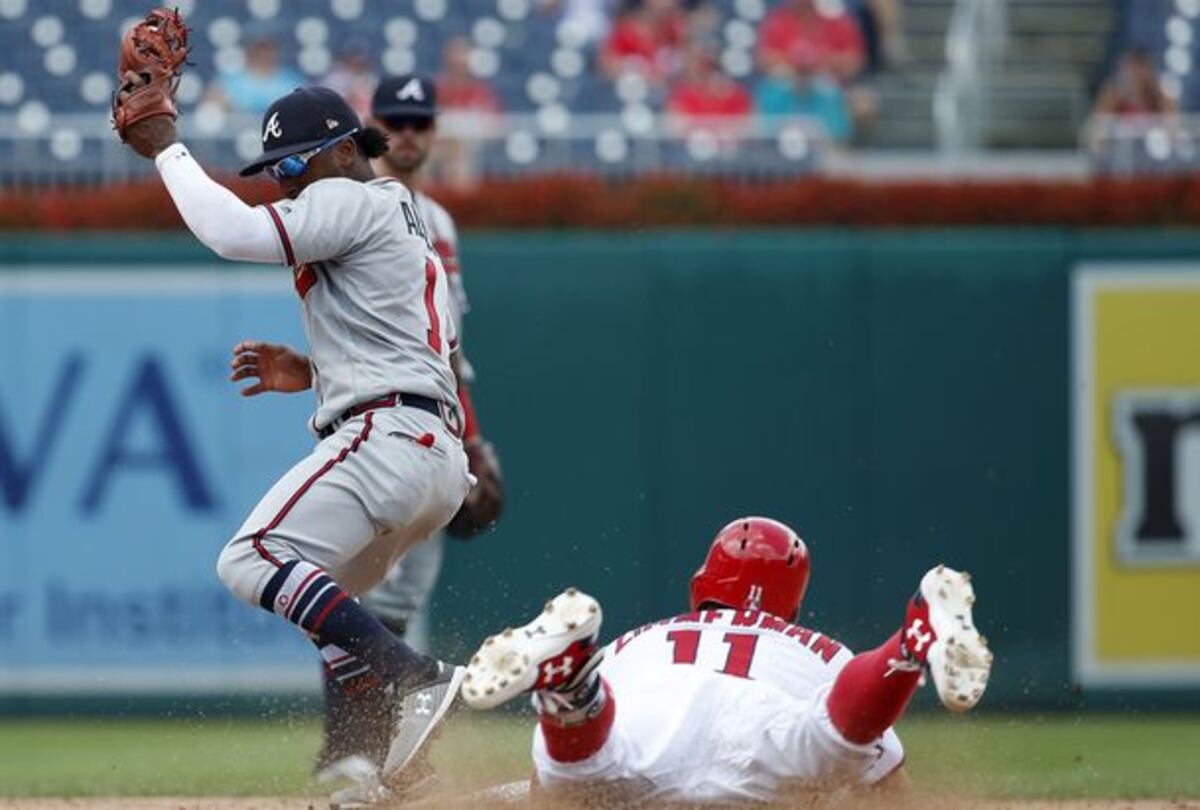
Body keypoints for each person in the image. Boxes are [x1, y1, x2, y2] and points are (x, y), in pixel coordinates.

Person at [117, 85, 475, 801]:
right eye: (275, 170)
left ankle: (419, 680)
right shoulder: (405, 219)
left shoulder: (354, 195)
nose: (284, 181)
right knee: (328, 605)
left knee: (250, 558)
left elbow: (231, 233)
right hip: (433, 451)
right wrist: (316, 370)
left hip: (387, 437)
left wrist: (167, 150)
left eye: (294, 165)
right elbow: (415, 346)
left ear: (345, 151)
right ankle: (399, 765)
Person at [462, 517, 993, 803]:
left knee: (582, 766)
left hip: (649, 724)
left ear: (701, 585)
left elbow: (543, 792)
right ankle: (907, 642)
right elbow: (888, 786)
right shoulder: (817, 648)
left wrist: (560, 785)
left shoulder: (640, 639)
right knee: (832, 737)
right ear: (794, 603)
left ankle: (574, 688)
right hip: (763, 735)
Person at [313, 73, 506, 787]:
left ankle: (371, 756)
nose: (411, 134)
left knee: (393, 597)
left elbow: (445, 348)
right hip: (363, 419)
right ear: (371, 128)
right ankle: (353, 752)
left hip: (428, 425)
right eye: (396, 120)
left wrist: (474, 441)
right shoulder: (347, 209)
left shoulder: (440, 223)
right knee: (346, 584)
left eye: (421, 121)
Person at [666, 41, 753, 135]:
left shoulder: (735, 95)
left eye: (703, 64)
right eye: (693, 63)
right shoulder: (681, 95)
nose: (697, 68)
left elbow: (748, 125)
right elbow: (676, 127)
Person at [210, 36, 304, 114]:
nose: (264, 57)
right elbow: (213, 103)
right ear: (250, 54)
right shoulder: (231, 80)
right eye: (260, 52)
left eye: (269, 53)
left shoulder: (291, 80)